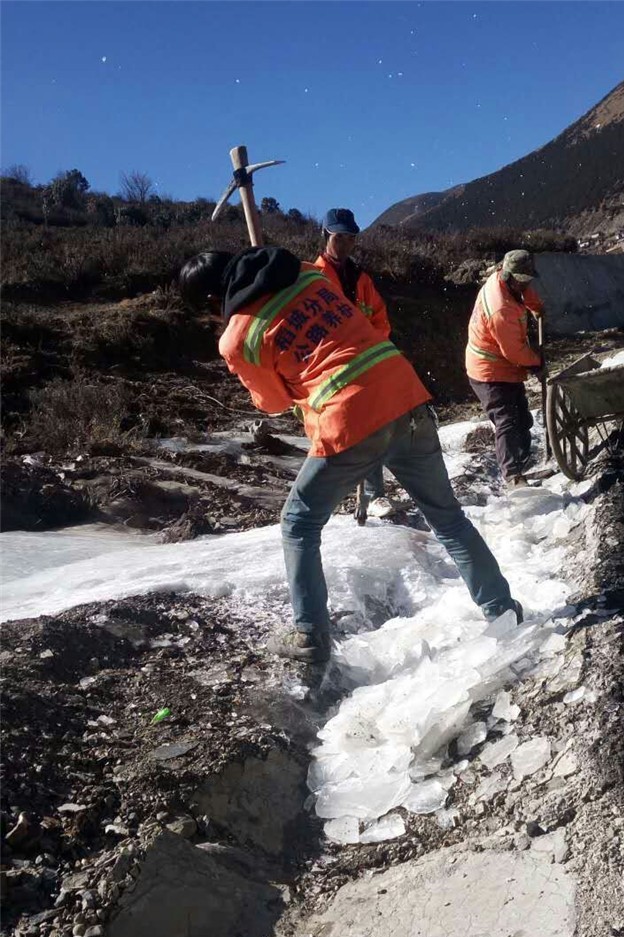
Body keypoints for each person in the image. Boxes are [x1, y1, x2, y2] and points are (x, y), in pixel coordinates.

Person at [178, 246, 521, 663]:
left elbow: (271, 402)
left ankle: (309, 635)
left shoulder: (237, 338)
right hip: (405, 395)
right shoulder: (307, 274)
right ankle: (503, 611)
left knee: (298, 523)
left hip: (349, 418)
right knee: (448, 518)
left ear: (213, 300)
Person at [315, 207, 393, 515]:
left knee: (369, 428)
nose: (346, 244)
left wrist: (368, 346)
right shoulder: (314, 278)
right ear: (326, 236)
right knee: (336, 431)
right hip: (330, 368)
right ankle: (330, 494)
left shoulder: (362, 279)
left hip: (364, 363)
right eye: (339, 238)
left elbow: (380, 319)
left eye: (350, 238)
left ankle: (374, 495)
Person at [466, 250, 545, 489]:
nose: (525, 284)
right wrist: (537, 363)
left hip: (504, 366)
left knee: (522, 418)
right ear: (509, 276)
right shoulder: (500, 308)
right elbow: (514, 351)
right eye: (522, 280)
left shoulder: (508, 281)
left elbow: (525, 292)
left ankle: (522, 465)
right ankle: (512, 476)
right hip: (488, 370)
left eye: (528, 279)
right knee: (507, 421)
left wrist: (537, 307)